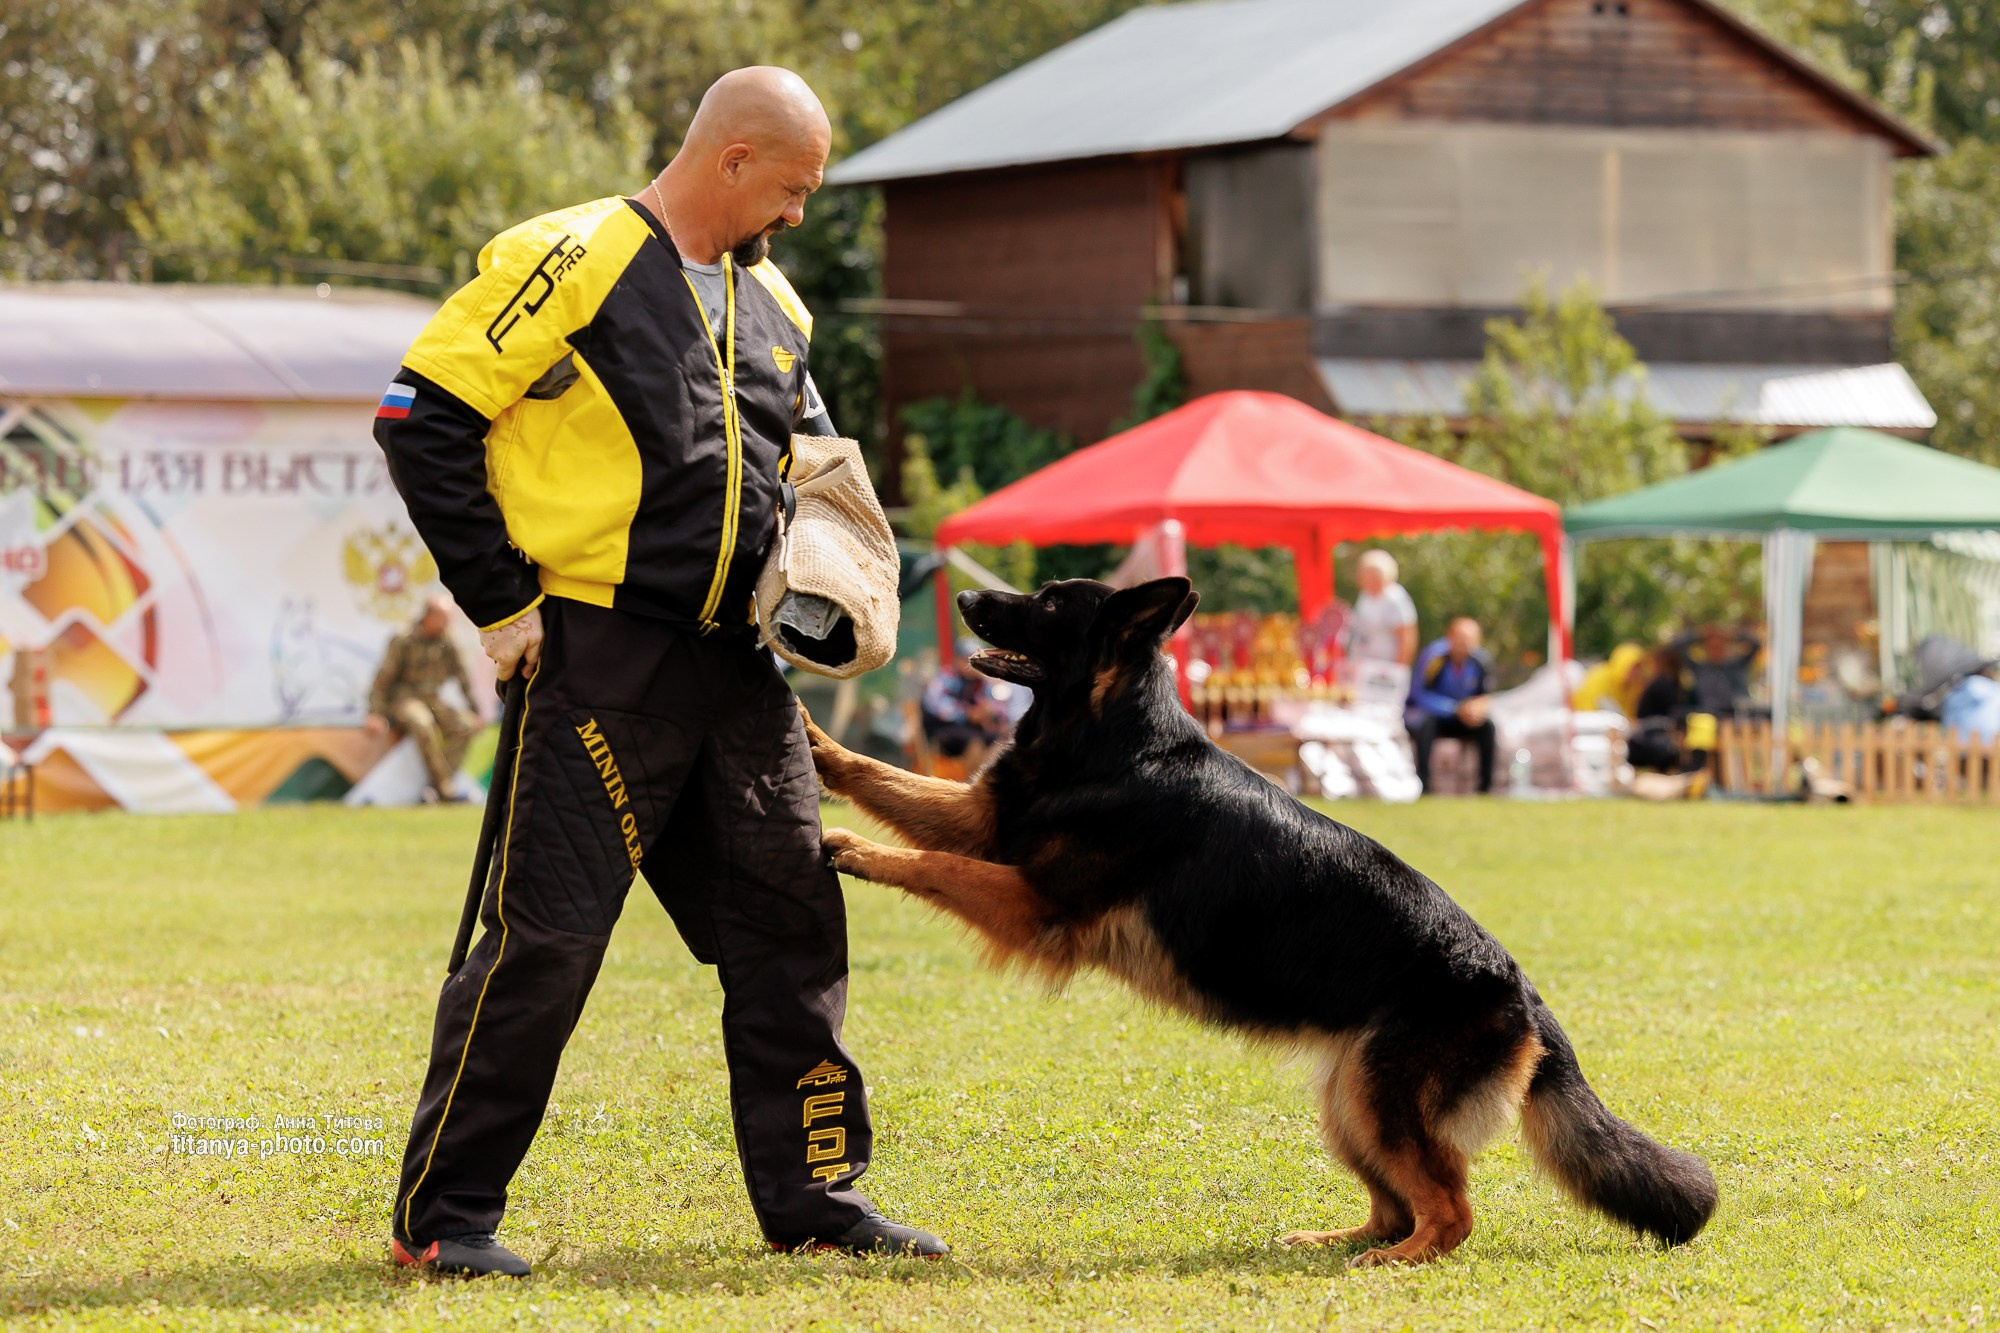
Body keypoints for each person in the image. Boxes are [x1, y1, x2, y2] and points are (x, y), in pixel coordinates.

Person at [372, 67, 941, 1278]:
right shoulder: (567, 253)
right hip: (595, 654)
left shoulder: (778, 306)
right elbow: (419, 414)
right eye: (790, 187)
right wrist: (501, 602)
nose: (797, 214)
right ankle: (445, 1216)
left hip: (736, 668)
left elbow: (820, 473)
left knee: (792, 922)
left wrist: (840, 580)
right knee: (550, 941)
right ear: (732, 158)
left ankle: (815, 1202)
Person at [366, 595, 479, 802]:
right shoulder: (404, 639)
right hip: (404, 700)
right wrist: (375, 713)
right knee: (423, 723)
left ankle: (438, 786)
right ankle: (445, 789)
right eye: (444, 618)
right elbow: (382, 680)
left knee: (466, 725)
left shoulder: (447, 641)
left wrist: (475, 711)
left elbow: (462, 676)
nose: (448, 623)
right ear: (429, 616)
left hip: (431, 700)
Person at [1406, 616, 1497, 794]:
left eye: (1470, 640)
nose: (1464, 644)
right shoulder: (1434, 658)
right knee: (1427, 725)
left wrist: (1476, 708)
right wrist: (1455, 709)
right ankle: (1424, 785)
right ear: (1450, 637)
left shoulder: (1481, 661)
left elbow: (1485, 695)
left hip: (1466, 719)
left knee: (1488, 727)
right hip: (1436, 716)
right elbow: (1419, 694)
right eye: (1460, 638)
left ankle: (1485, 788)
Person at [920, 640, 1010, 766]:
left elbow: (998, 706)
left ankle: (985, 779)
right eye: (968, 660)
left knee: (1000, 741)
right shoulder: (946, 677)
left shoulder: (982, 681)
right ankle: (971, 782)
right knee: (975, 743)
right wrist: (966, 713)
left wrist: (988, 712)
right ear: (957, 660)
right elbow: (935, 704)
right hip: (945, 728)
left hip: (974, 728)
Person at [1346, 550, 1418, 669]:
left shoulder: (1394, 597)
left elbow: (1407, 638)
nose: (1361, 577)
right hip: (1364, 665)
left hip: (1385, 668)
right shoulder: (1365, 596)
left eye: (1366, 573)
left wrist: (1398, 670)